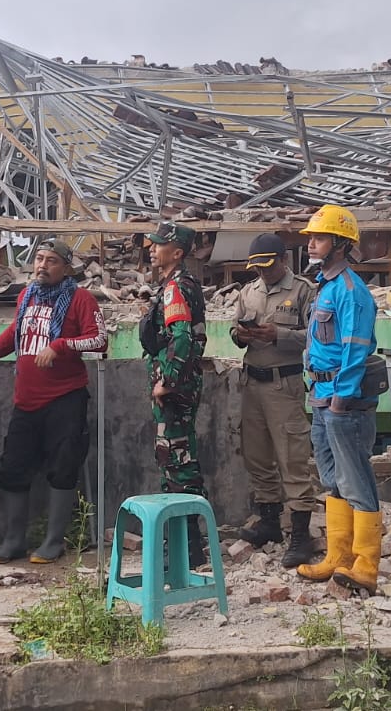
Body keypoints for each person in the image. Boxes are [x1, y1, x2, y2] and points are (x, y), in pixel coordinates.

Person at [0, 239, 107, 564]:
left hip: (65, 398)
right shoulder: (27, 296)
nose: (42, 265)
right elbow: (15, 336)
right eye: (39, 258)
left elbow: (100, 338)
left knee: (63, 468)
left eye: (51, 260)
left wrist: (61, 345)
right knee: (13, 467)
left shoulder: (81, 299)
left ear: (66, 268)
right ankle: (13, 542)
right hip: (26, 401)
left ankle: (54, 542)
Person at [294, 205, 384, 595]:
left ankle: (365, 566)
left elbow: (356, 348)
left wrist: (341, 398)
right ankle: (338, 557)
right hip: (321, 396)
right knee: (332, 480)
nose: (311, 243)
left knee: (356, 480)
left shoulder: (351, 291)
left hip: (342, 401)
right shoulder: (325, 286)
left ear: (341, 244)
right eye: (312, 237)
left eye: (319, 237)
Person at [230, 233, 317, 567]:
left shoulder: (303, 291)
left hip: (285, 384)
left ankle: (300, 535)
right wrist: (242, 334)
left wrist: (278, 335)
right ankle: (269, 521)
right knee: (257, 454)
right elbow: (235, 333)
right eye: (258, 268)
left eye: (268, 266)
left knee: (292, 458)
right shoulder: (248, 292)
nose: (263, 273)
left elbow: (315, 336)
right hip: (252, 382)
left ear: (283, 260)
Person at [139, 221, 210, 568]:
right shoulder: (177, 285)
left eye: (158, 244)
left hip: (176, 389)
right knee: (176, 460)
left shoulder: (176, 288)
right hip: (182, 385)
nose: (151, 249)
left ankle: (187, 548)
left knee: (177, 461)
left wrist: (166, 381)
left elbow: (181, 337)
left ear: (177, 252)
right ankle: (184, 543)